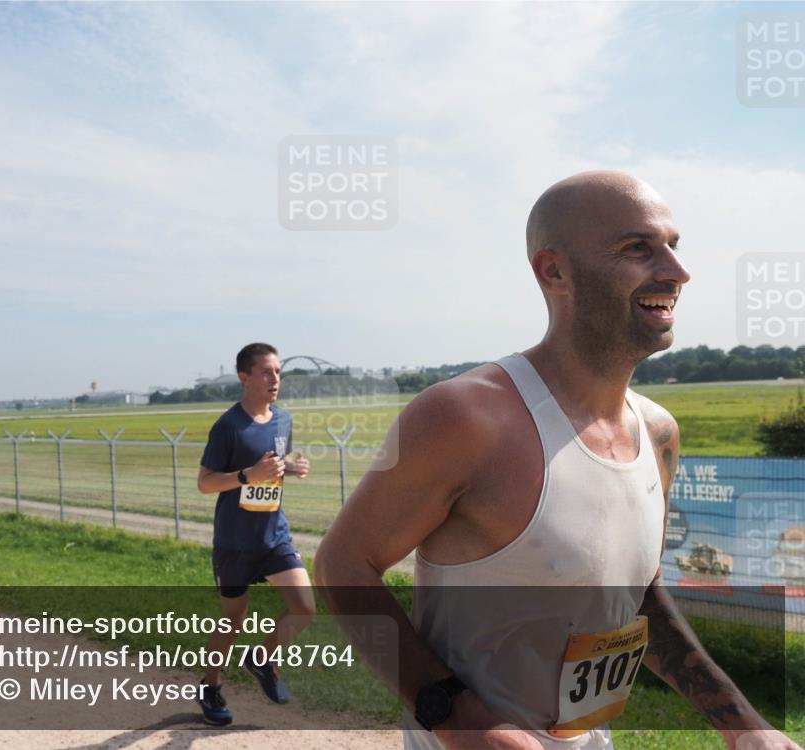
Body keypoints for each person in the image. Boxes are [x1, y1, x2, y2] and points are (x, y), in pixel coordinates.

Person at [314, 172, 802, 750]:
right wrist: (456, 716)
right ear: (554, 271)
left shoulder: (659, 432)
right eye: (638, 248)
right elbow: (343, 568)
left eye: (673, 245)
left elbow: (636, 596)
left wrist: (744, 726)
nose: (676, 270)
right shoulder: (466, 417)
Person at [195, 342, 316, 726]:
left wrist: (290, 469)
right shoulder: (228, 426)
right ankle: (209, 686)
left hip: (274, 536)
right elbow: (205, 483)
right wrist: (248, 475)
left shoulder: (283, 420)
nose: (275, 379)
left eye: (278, 372)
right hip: (234, 543)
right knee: (233, 622)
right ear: (244, 377)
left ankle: (262, 659)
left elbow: (272, 470)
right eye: (266, 372)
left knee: (305, 608)